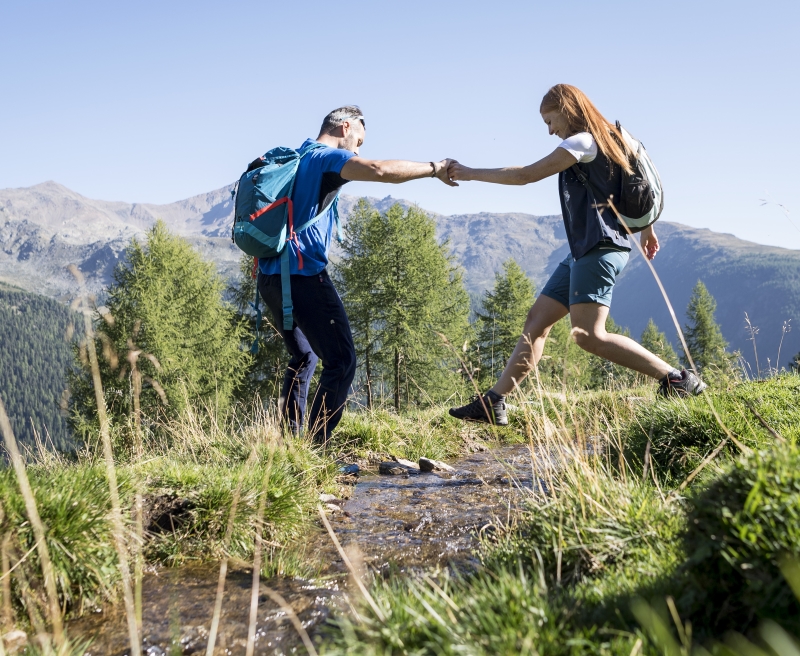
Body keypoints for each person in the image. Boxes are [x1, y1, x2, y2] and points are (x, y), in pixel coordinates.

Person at [446, 84, 705, 426]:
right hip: (585, 249)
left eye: (550, 121)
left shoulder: (583, 141)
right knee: (536, 321)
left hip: (599, 248)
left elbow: (525, 175)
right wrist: (647, 227)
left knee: (588, 336)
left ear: (567, 109)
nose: (550, 130)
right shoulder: (611, 137)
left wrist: (469, 173)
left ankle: (676, 379)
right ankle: (494, 402)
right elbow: (637, 187)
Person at [258, 105, 456, 443]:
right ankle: (315, 451)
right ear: (344, 127)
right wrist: (434, 168)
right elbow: (377, 170)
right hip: (304, 276)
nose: (359, 149)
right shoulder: (323, 158)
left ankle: (292, 448)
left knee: (303, 356)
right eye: (359, 140)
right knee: (342, 361)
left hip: (270, 278)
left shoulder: (295, 157)